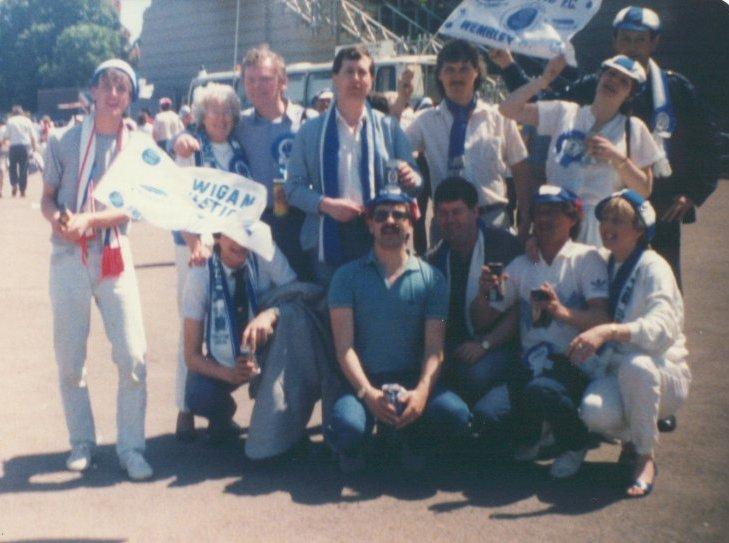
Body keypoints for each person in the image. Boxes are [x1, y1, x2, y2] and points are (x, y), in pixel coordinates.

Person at [492, 6, 720, 285]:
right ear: (614, 41)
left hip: (660, 208)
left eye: (640, 40)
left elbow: (707, 142)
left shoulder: (675, 88)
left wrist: (693, 192)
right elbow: (537, 102)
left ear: (654, 42)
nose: (632, 47)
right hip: (590, 217)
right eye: (625, 39)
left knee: (661, 284)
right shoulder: (592, 85)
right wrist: (511, 67)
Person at [40, 59, 153, 480]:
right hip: (69, 256)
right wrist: (60, 222)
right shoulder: (65, 139)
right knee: (71, 359)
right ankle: (82, 441)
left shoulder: (137, 145)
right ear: (92, 91)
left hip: (113, 254)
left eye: (122, 87)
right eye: (105, 84)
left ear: (129, 97)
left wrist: (92, 221)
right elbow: (48, 198)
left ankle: (131, 447)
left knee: (133, 355)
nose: (113, 93)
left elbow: (134, 207)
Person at [326, 188, 471, 473]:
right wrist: (368, 393)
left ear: (410, 223)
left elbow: (434, 349)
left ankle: (411, 437)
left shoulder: (433, 280)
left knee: (456, 416)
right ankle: (364, 442)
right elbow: (344, 349)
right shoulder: (346, 277)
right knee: (347, 429)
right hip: (364, 381)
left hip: (411, 380)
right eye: (381, 215)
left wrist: (421, 393)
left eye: (399, 215)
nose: (389, 221)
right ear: (369, 224)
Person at [473, 186, 609, 478]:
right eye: (539, 213)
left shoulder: (587, 258)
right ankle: (532, 436)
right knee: (488, 413)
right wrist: (484, 294)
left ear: (573, 218)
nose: (545, 220)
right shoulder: (523, 264)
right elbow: (484, 319)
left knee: (541, 391)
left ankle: (574, 443)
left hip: (573, 361)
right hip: (530, 363)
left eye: (554, 213)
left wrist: (561, 312)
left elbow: (602, 316)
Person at [572, 189, 690, 497]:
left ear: (640, 229)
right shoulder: (603, 262)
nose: (607, 226)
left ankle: (645, 456)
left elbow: (665, 327)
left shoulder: (655, 267)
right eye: (605, 219)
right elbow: (567, 257)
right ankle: (632, 437)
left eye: (618, 220)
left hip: (663, 371)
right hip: (618, 370)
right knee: (594, 411)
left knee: (637, 366)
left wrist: (611, 331)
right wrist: (533, 243)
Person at [183, 220, 331, 459]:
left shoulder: (263, 248)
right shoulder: (201, 271)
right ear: (218, 236)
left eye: (247, 233)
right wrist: (228, 374)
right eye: (233, 234)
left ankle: (284, 424)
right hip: (222, 356)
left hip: (266, 345)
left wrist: (269, 314)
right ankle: (223, 417)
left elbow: (296, 296)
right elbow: (190, 356)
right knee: (198, 396)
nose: (242, 242)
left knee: (294, 325)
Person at [175, 44, 317, 280]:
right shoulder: (240, 124)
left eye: (264, 79)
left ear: (283, 81)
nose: (256, 86)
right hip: (256, 222)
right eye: (250, 80)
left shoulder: (308, 121)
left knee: (301, 289)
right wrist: (179, 141)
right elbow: (202, 130)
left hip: (300, 222)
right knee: (259, 295)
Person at [286, 46, 421, 285]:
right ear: (335, 78)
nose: (356, 79)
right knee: (334, 312)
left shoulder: (388, 128)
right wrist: (326, 205)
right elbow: (293, 188)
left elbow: (417, 181)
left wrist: (411, 177)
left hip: (379, 232)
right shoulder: (309, 131)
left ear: (371, 80)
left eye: (363, 72)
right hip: (327, 235)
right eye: (349, 71)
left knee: (376, 309)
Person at [499, 53, 661, 247]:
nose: (614, 81)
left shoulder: (633, 128)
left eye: (624, 81)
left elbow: (644, 190)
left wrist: (616, 157)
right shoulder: (565, 112)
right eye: (610, 74)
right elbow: (508, 109)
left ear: (630, 93)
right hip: (555, 220)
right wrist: (543, 80)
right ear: (599, 77)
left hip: (600, 229)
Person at [171, 82, 246, 441]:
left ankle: (218, 409)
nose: (220, 118)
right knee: (192, 325)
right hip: (195, 248)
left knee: (229, 321)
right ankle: (185, 408)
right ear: (201, 117)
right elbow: (176, 204)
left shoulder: (238, 151)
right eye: (213, 111)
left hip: (231, 248)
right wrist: (195, 243)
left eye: (227, 111)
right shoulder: (190, 149)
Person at [403, 40, 531, 239]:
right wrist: (401, 99)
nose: (457, 76)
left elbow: (520, 169)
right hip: (446, 222)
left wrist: (525, 222)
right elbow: (394, 149)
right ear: (439, 75)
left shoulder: (500, 117)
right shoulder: (424, 121)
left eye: (464, 69)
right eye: (450, 70)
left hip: (492, 220)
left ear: (477, 72)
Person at [427, 177, 522, 412]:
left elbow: (520, 311)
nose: (450, 220)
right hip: (457, 345)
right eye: (443, 213)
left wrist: (486, 344)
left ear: (475, 212)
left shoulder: (502, 247)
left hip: (499, 345)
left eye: (457, 212)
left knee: (474, 374)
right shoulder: (435, 259)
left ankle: (502, 404)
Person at [5, 105, 38, 197]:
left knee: (12, 167)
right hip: (25, 146)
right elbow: (33, 136)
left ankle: (14, 184)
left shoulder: (10, 121)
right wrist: (34, 149)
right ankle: (22, 190)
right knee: (23, 168)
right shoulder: (27, 121)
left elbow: (6, 136)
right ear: (22, 112)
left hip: (13, 147)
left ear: (13, 113)